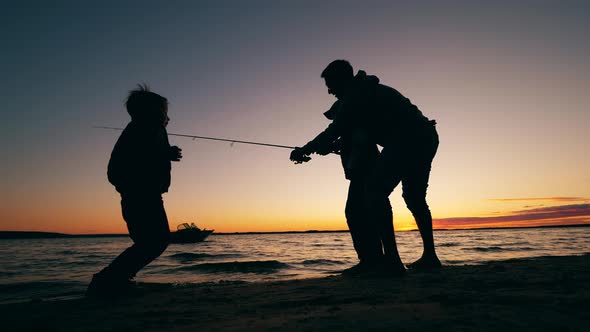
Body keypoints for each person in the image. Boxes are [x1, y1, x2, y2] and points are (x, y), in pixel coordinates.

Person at [291, 60, 440, 274]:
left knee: (374, 191)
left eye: (331, 85)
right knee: (414, 198)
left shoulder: (355, 96)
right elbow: (355, 131)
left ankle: (392, 262)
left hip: (408, 138)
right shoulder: (366, 91)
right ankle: (429, 257)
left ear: (343, 79)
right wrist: (329, 146)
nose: (329, 91)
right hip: (425, 136)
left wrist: (304, 149)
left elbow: (335, 128)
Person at [87, 84, 182, 296]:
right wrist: (165, 154)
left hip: (143, 193)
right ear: (153, 112)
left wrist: (166, 152)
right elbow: (137, 158)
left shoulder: (146, 130)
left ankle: (115, 279)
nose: (168, 117)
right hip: (141, 194)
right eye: (164, 112)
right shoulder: (144, 129)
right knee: (155, 241)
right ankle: (108, 281)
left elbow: (146, 154)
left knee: (151, 241)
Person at [320, 101, 384, 275]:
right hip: (364, 173)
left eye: (334, 117)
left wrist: (320, 146)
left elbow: (355, 143)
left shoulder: (353, 128)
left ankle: (370, 261)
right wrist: (330, 147)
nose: (332, 121)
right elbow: (344, 142)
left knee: (355, 213)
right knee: (363, 214)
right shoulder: (351, 131)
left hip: (363, 173)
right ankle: (374, 259)